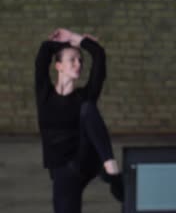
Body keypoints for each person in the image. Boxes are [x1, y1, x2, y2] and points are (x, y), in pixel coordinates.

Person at [35, 28, 124, 213]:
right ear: (58, 66)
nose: (79, 64)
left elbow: (98, 55)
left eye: (80, 60)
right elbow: (44, 53)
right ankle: (112, 177)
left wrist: (79, 39)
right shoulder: (45, 95)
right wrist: (66, 41)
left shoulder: (84, 95)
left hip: (85, 158)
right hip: (64, 170)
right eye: (72, 60)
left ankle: (111, 168)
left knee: (88, 107)